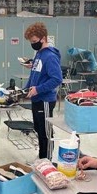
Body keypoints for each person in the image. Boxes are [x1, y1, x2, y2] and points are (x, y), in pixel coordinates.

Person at [24, 22, 62, 159]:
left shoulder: (50, 56)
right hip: (37, 99)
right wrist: (25, 90)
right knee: (39, 130)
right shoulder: (39, 54)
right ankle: (42, 158)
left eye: (34, 41)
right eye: (31, 42)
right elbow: (34, 75)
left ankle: (47, 160)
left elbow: (57, 79)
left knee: (46, 133)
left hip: (45, 100)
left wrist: (38, 89)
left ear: (43, 38)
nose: (33, 44)